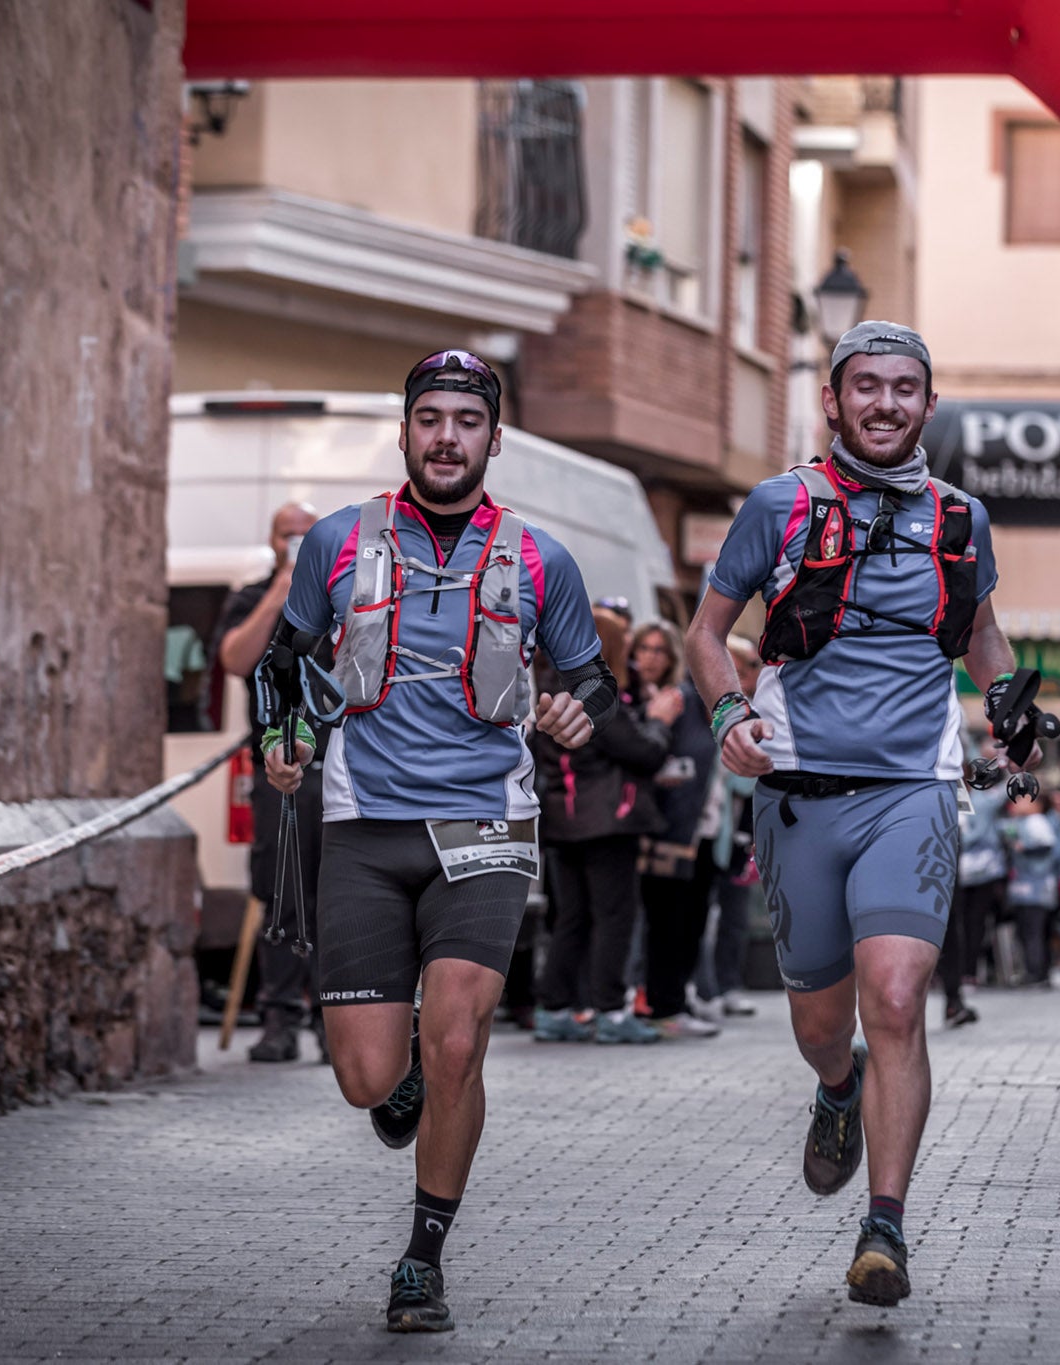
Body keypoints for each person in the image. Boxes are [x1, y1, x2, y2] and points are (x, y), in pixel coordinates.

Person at [262, 348, 616, 1333]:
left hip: (486, 822)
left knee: (457, 1039)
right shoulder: (336, 540)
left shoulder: (543, 558)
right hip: (366, 825)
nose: (447, 437)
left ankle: (423, 1254)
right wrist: (281, 735)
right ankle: (402, 1072)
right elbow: (281, 663)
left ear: (493, 440)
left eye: (467, 421)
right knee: (365, 1078)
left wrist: (580, 713)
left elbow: (592, 678)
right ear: (407, 431)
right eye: (431, 420)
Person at [683, 320, 1024, 1309]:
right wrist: (727, 713)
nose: (884, 404)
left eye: (904, 389)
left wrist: (1007, 715)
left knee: (896, 998)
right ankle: (837, 1088)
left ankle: (885, 1226)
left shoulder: (960, 519)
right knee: (823, 1022)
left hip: (912, 791)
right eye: (864, 387)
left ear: (926, 403)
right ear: (833, 399)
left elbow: (982, 633)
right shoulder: (778, 506)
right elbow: (708, 633)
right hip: (797, 797)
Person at [529, 606, 677, 1045]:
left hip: (563, 818)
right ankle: (611, 1012)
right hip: (608, 820)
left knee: (571, 917)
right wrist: (659, 721)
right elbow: (644, 753)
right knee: (614, 917)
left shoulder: (550, 686)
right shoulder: (597, 693)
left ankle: (554, 1008)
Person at [215, 500, 327, 1063]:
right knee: (281, 893)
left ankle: (336, 1022)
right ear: (273, 541)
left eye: (308, 536)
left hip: (336, 766)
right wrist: (279, 595)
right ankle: (279, 1018)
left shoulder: (341, 596)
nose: (298, 544)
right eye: (290, 536)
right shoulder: (252, 595)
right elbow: (234, 660)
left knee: (337, 896)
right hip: (276, 767)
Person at [632, 619, 725, 1040]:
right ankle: (661, 1004)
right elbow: (651, 759)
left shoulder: (709, 705)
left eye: (658, 650)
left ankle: (675, 1000)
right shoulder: (677, 702)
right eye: (643, 649)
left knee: (691, 921)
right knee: (667, 922)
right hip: (667, 833)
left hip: (705, 833)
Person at [693, 634, 763, 1018]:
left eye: (751, 667)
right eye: (739, 667)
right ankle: (703, 988)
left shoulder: (763, 710)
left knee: (734, 912)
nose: (746, 675)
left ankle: (728, 983)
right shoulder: (707, 710)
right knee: (700, 912)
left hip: (741, 829)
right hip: (707, 826)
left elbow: (750, 776)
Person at [937, 745, 1008, 1026]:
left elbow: (1001, 791)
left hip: (974, 874)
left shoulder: (980, 799)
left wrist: (1001, 758)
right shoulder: (939, 794)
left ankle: (957, 990)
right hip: (942, 869)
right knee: (947, 927)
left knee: (965, 926)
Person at [1000, 788, 1060, 987]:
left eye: (1024, 800)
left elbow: (1046, 845)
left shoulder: (1037, 822)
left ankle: (1035, 972)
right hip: (1032, 887)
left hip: (1035, 887)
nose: (1017, 804)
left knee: (1032, 931)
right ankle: (1041, 972)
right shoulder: (1020, 822)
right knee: (1038, 931)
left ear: (1038, 805)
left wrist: (1024, 847)